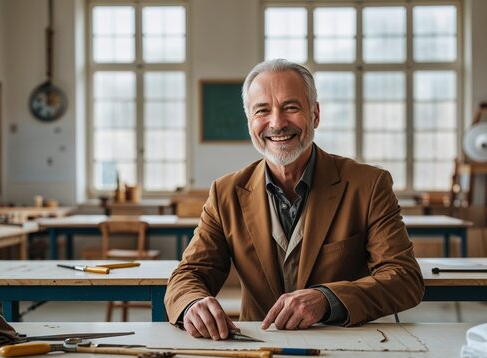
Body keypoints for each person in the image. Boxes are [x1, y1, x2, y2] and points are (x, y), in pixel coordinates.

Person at [164, 59, 424, 340]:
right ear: (250, 122)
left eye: (291, 107)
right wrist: (192, 304)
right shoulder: (225, 192)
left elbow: (404, 278)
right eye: (262, 110)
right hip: (257, 346)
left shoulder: (368, 184)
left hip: (346, 345)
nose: (276, 123)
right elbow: (189, 274)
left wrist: (327, 300)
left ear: (315, 114)